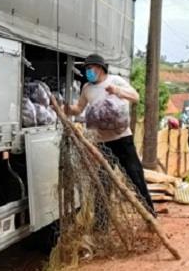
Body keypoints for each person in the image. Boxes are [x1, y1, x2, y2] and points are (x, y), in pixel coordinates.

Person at [65, 53, 155, 214]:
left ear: (100, 68)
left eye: (90, 68)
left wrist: (117, 91)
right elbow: (79, 108)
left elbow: (135, 97)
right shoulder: (87, 88)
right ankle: (101, 225)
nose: (88, 72)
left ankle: (150, 214)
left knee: (135, 177)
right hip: (102, 144)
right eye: (86, 69)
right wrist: (66, 109)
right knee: (102, 183)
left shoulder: (115, 81)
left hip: (122, 139)